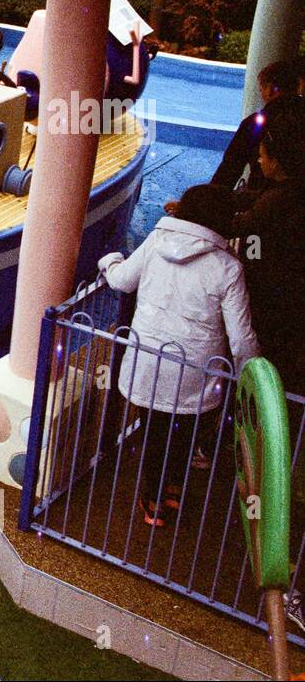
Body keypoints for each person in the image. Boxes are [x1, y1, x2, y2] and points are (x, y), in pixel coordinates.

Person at [99, 183, 260, 527]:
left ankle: (154, 499)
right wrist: (253, 377)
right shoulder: (228, 268)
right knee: (183, 432)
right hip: (195, 371)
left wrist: (110, 260)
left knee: (154, 429)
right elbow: (241, 336)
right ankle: (172, 488)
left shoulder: (157, 242)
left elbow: (123, 281)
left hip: (148, 361)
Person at [231, 95, 305, 393]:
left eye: (262, 156)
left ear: (277, 159)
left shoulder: (276, 203)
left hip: (277, 304)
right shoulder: (289, 190)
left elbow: (243, 224)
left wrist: (196, 212)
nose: (258, 161)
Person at [210, 60, 296, 192]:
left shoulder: (256, 124)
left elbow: (230, 168)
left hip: (261, 198)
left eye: (261, 89)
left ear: (270, 89)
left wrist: (205, 199)